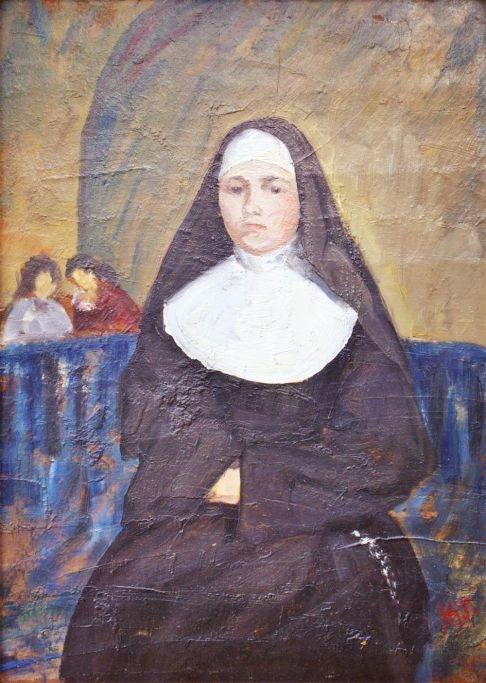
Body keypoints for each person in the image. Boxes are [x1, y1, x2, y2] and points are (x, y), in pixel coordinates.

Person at [61, 119, 435, 682]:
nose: (251, 207)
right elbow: (151, 418)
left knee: (317, 602)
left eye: (273, 187)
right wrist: (211, 471)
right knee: (129, 601)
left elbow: (390, 450)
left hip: (318, 522)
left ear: (304, 197)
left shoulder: (344, 313)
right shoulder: (186, 306)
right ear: (216, 199)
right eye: (236, 188)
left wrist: (260, 481)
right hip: (198, 507)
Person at [2, 254, 72, 344]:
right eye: (41, 279)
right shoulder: (21, 306)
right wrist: (43, 337)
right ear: (30, 280)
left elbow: (67, 329)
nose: (48, 284)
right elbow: (9, 338)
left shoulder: (55, 306)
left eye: (52, 280)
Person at [65, 254, 141, 335]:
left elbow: (127, 326)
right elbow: (79, 328)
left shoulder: (113, 295)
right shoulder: (80, 299)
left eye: (81, 277)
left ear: (90, 272)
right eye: (75, 280)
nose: (79, 282)